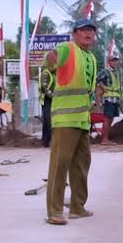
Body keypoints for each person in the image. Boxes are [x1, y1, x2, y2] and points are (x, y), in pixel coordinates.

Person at [45, 18, 99, 225]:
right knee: (60, 165)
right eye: (84, 31)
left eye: (91, 31)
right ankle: (54, 212)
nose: (88, 34)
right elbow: (51, 61)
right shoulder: (68, 48)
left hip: (82, 120)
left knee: (81, 165)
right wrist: (51, 58)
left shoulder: (91, 57)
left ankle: (78, 207)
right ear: (75, 33)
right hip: (65, 119)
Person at [95, 53, 122, 145]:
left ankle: (106, 138)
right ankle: (104, 139)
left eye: (116, 60)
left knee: (111, 119)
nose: (114, 62)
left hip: (115, 98)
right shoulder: (106, 71)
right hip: (108, 99)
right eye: (112, 60)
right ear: (109, 62)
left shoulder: (117, 72)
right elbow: (97, 79)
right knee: (107, 118)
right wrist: (103, 87)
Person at [39, 52, 57, 148]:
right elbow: (45, 89)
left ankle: (51, 140)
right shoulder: (46, 73)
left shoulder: (54, 74)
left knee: (53, 121)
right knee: (47, 120)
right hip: (46, 100)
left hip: (53, 99)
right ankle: (46, 141)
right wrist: (54, 96)